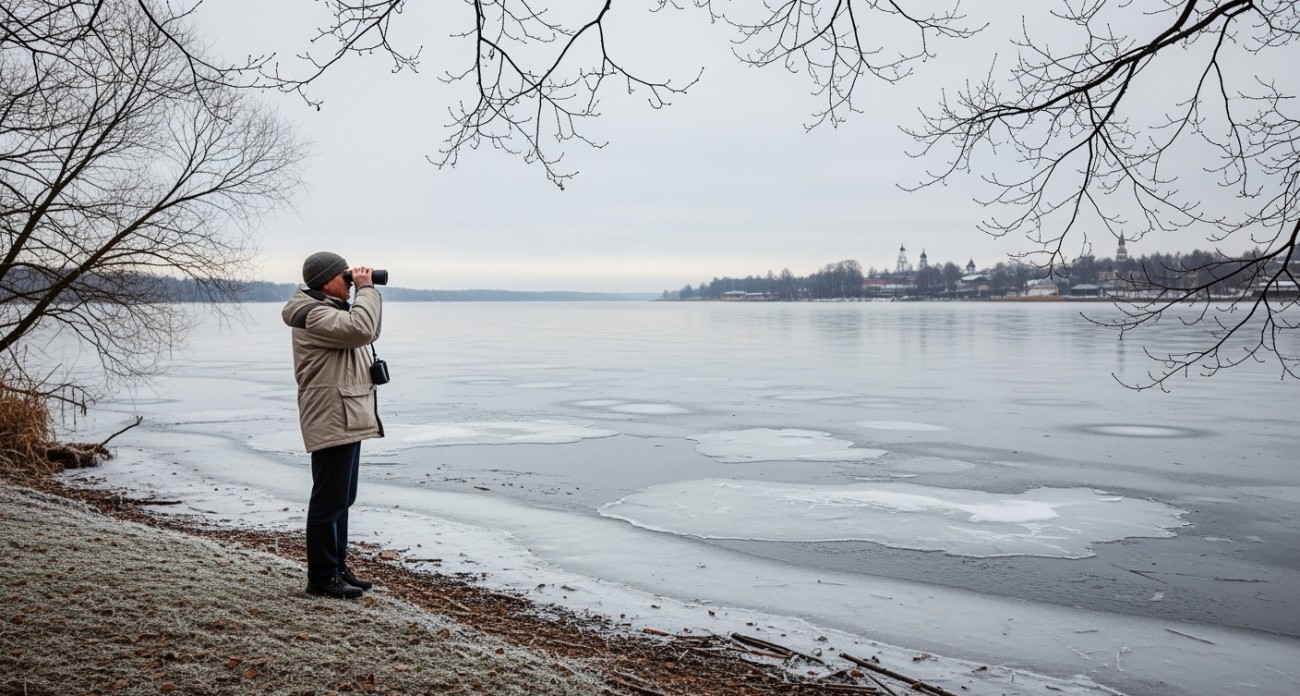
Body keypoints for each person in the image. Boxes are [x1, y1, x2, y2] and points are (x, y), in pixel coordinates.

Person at [282, 251, 384, 599]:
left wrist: (363, 293)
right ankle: (322, 576)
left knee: (342, 497)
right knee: (328, 501)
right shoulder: (315, 315)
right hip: (331, 416)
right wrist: (366, 289)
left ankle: (336, 566)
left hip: (344, 415)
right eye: (345, 276)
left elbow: (367, 331)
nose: (350, 280)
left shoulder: (329, 310)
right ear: (326, 281)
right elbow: (362, 328)